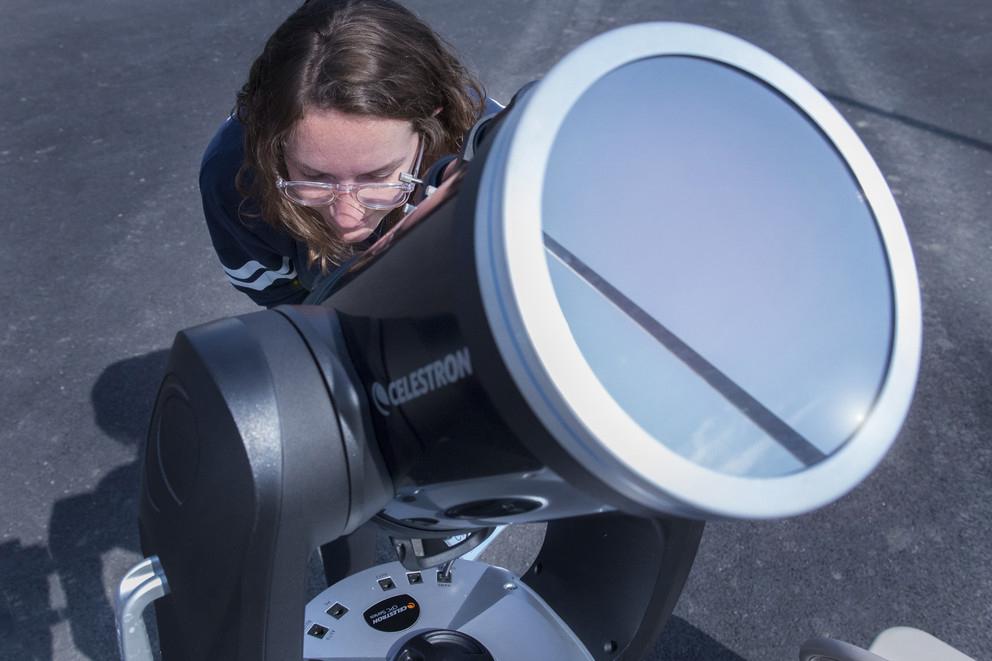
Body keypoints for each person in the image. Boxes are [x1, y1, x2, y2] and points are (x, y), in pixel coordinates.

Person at [199, 0, 488, 307]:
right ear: (273, 141)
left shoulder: (493, 150)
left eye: (377, 176)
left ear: (431, 122)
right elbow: (284, 301)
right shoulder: (232, 176)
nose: (347, 220)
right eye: (314, 176)